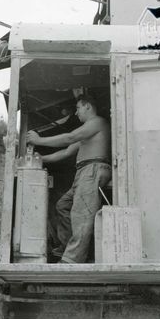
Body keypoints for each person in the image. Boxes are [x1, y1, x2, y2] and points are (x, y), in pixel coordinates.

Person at [27, 94, 111, 264]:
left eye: (78, 108)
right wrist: (40, 159)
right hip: (83, 172)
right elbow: (66, 152)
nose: (77, 113)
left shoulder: (97, 122)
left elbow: (69, 137)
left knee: (81, 215)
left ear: (88, 106)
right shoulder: (88, 132)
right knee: (63, 206)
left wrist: (39, 140)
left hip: (93, 169)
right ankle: (69, 248)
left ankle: (72, 259)